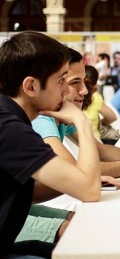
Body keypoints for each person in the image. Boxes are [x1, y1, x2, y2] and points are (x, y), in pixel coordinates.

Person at [0, 31, 101, 258]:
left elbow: (27, 191)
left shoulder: (11, 118)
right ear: (31, 87)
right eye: (61, 80)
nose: (68, 91)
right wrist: (81, 121)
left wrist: (73, 179)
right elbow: (90, 190)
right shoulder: (10, 128)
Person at [32, 48, 120, 180]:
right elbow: (78, 173)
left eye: (83, 81)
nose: (85, 91)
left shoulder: (60, 114)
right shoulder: (41, 119)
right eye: (75, 82)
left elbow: (100, 150)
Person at [83, 65, 117, 143]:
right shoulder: (95, 97)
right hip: (95, 142)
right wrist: (100, 123)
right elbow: (112, 117)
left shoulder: (68, 99)